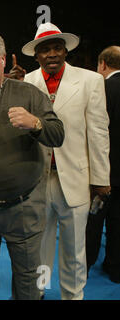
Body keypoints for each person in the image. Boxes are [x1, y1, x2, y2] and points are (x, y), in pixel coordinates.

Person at [0, 30, 64, 300]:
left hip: (23, 206)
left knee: (28, 281)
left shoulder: (29, 93)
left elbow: (58, 134)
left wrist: (36, 123)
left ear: (3, 60)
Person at [19, 22, 110, 299]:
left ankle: (73, 295)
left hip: (76, 178)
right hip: (37, 178)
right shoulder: (26, 83)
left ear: (65, 50)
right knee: (38, 246)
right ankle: (40, 291)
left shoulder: (90, 81)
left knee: (74, 248)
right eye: (45, 50)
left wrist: (101, 179)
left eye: (57, 47)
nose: (52, 54)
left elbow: (97, 132)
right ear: (37, 56)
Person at [85, 46, 120, 284]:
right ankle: (115, 269)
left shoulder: (103, 88)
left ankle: (82, 271)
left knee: (93, 224)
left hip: (104, 171)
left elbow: (96, 132)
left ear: (103, 65)